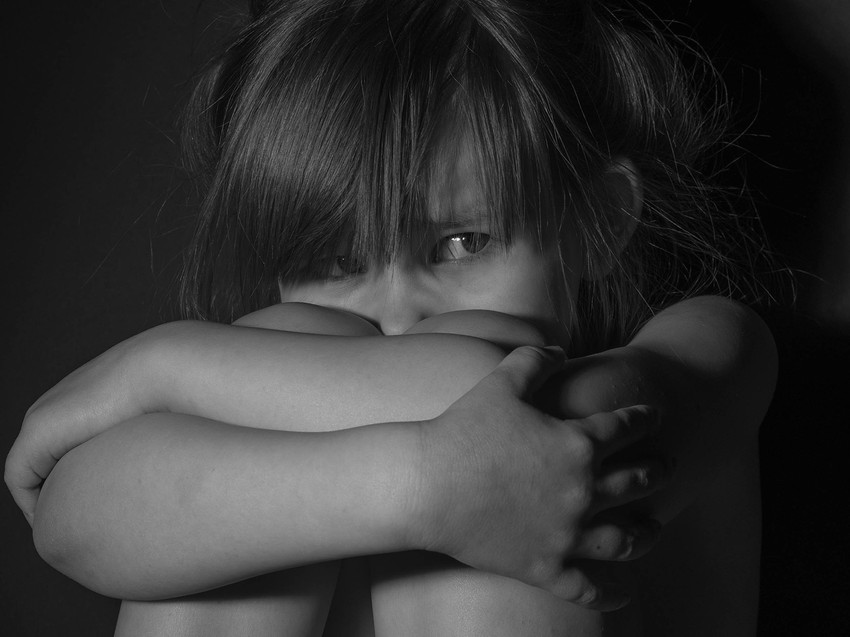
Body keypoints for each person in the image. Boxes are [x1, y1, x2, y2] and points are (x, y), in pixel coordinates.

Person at [4, 0, 779, 635]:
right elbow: (65, 520)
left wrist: (164, 365)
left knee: (470, 470)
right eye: (337, 260)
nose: (399, 314)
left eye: (462, 242)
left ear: (598, 222)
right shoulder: (283, 364)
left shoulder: (712, 345)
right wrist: (423, 487)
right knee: (289, 361)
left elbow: (500, 413)